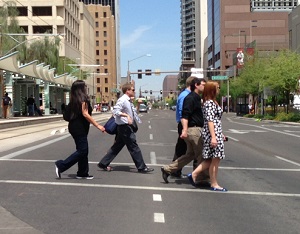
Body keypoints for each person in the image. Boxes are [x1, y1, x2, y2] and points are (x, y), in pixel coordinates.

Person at [97, 83, 154, 173]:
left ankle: (103, 163)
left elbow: (134, 112)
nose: (134, 91)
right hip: (124, 127)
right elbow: (115, 111)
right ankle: (141, 167)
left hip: (126, 127)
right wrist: (126, 115)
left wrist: (138, 105)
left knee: (117, 147)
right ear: (127, 91)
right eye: (133, 90)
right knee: (133, 147)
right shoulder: (123, 100)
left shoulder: (128, 101)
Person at [161, 78, 209, 183]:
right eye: (203, 85)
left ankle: (168, 169)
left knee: (190, 155)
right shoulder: (190, 97)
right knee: (202, 155)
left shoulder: (195, 97)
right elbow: (185, 115)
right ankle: (202, 178)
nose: (205, 87)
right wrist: (185, 130)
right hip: (194, 130)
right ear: (196, 85)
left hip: (193, 129)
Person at [55, 80, 105, 179]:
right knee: (83, 150)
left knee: (83, 150)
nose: (86, 88)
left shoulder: (74, 100)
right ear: (81, 88)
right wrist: (98, 125)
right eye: (85, 86)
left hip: (75, 127)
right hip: (79, 128)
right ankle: (61, 165)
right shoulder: (83, 99)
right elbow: (85, 114)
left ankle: (82, 173)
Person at [188, 81, 227, 192]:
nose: (219, 89)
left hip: (215, 132)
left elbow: (215, 121)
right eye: (217, 87)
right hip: (212, 134)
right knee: (215, 160)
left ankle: (194, 174)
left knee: (211, 159)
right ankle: (214, 183)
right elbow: (210, 120)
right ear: (212, 90)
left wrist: (220, 133)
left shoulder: (212, 102)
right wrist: (214, 137)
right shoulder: (209, 103)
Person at [170, 76, 194, 177]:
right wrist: (185, 126)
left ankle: (173, 170)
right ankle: (172, 169)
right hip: (185, 124)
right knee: (184, 149)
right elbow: (182, 111)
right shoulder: (185, 96)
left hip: (184, 124)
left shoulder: (185, 94)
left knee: (181, 148)